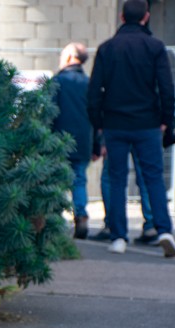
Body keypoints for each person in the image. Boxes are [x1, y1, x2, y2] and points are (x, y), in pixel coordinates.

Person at [87, 0, 175, 257]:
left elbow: (94, 92)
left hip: (115, 124)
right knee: (153, 179)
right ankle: (163, 230)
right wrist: (166, 118)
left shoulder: (107, 49)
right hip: (148, 124)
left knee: (117, 179)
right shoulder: (155, 47)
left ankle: (118, 236)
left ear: (121, 16)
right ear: (146, 17)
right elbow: (166, 88)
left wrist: (99, 124)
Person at [53, 43, 96, 239]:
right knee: (79, 180)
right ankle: (81, 216)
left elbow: (48, 113)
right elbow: (96, 116)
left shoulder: (57, 82)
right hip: (83, 141)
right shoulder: (89, 83)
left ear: (70, 56)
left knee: (56, 181)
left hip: (58, 141)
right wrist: (97, 144)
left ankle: (56, 220)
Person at [92, 142, 156, 244]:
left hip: (117, 131)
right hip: (142, 130)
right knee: (145, 177)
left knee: (112, 178)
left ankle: (113, 226)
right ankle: (151, 227)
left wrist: (104, 141)